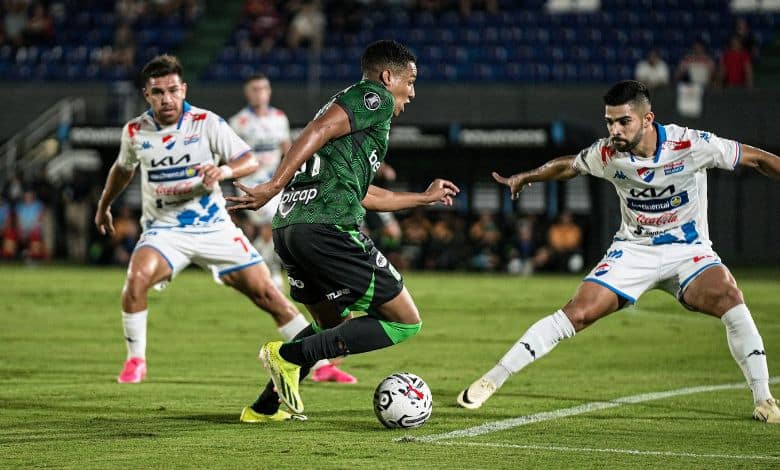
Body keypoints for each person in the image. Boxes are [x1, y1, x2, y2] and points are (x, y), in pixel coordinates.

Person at [456, 80, 780, 424]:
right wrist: (528, 176)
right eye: (609, 121)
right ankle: (493, 378)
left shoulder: (691, 144)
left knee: (730, 298)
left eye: (623, 121)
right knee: (577, 313)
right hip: (634, 251)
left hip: (688, 252)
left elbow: (758, 159)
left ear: (647, 118)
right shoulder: (608, 153)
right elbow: (570, 165)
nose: (614, 130)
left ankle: (764, 400)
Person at [227, 40, 459, 422]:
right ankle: (286, 356)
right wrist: (273, 183)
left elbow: (363, 192)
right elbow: (317, 129)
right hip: (327, 228)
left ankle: (264, 407)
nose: (413, 93)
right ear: (388, 77)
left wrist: (421, 198)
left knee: (328, 326)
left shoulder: (356, 121)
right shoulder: (374, 98)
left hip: (291, 229)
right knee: (404, 321)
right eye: (410, 81)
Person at [94, 54, 321, 388]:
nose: (166, 98)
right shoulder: (135, 131)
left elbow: (248, 159)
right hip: (165, 229)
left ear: (183, 89)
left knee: (268, 295)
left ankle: (318, 359)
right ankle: (135, 361)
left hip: (214, 227)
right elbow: (123, 169)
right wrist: (104, 205)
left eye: (172, 90)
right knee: (136, 278)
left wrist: (224, 171)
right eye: (158, 92)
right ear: (147, 95)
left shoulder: (207, 123)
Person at [229, 73, 357, 385]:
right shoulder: (238, 123)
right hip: (257, 190)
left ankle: (266, 270)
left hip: (279, 187)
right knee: (280, 234)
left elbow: (290, 149)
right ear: (248, 92)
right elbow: (230, 158)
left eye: (264, 87)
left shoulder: (279, 118)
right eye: (255, 88)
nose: (260, 92)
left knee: (278, 236)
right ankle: (266, 272)